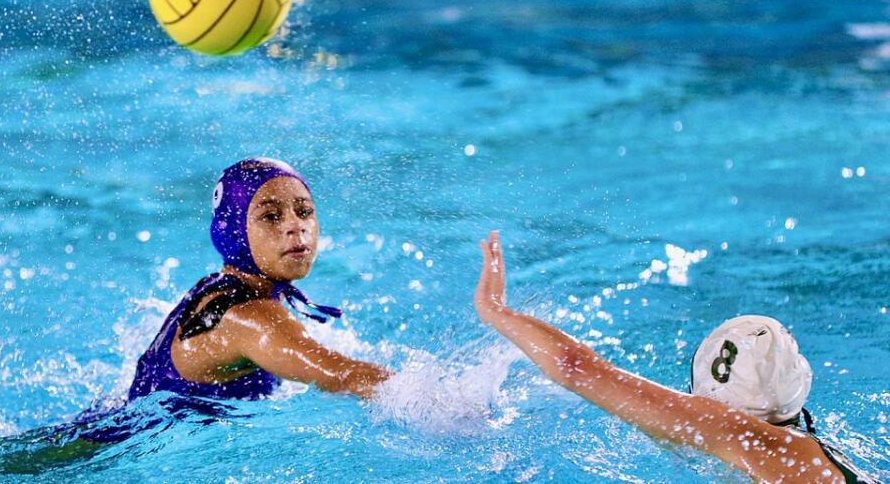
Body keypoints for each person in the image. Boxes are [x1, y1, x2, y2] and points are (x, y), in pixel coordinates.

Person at [474, 231, 877, 483]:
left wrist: (495, 310)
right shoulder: (819, 458)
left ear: (704, 395)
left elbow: (575, 368)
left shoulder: (738, 435)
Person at [126, 157, 391, 401]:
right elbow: (340, 375)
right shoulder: (251, 318)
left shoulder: (221, 289)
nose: (295, 226)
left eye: (304, 211)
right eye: (271, 216)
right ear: (233, 233)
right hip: (124, 449)